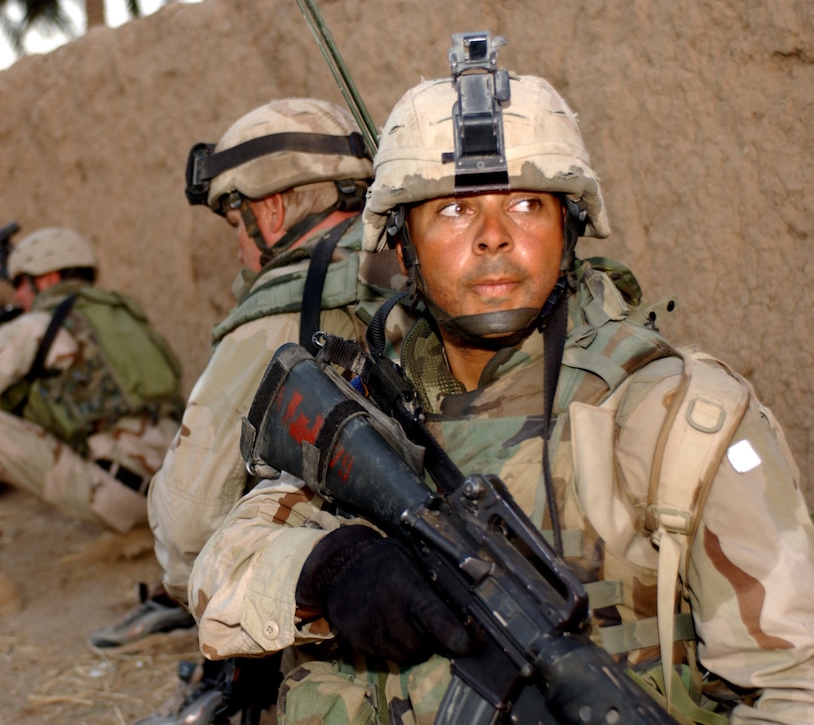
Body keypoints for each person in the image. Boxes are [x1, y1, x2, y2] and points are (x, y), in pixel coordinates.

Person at [187, 58, 814, 723]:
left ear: (568, 230)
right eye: (454, 208)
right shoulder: (375, 399)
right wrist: (326, 568)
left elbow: (795, 685)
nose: (494, 235)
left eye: (525, 203)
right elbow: (218, 564)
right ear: (402, 247)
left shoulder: (681, 420)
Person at [118, 98, 403, 719]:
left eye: (234, 223)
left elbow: (191, 520)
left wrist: (222, 589)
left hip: (345, 616)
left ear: (270, 210)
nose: (240, 250)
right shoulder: (415, 259)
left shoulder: (286, 304)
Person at [0, 226, 184, 627]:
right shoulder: (125, 316)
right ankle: (136, 533)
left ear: (46, 279)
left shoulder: (36, 326)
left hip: (117, 492)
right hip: (168, 494)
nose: (18, 298)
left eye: (20, 285)